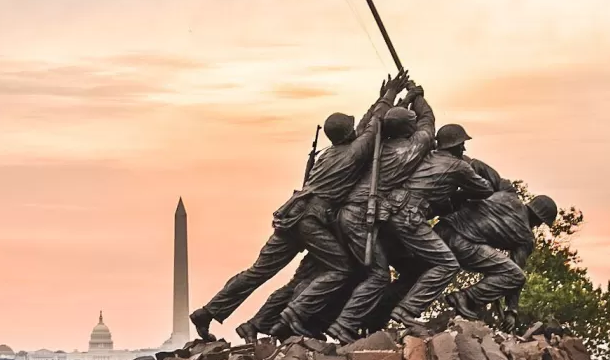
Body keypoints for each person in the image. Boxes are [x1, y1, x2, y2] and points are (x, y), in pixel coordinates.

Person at [189, 71, 408, 341]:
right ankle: (294, 315)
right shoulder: (353, 153)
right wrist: (390, 95)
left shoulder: (330, 153)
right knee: (340, 269)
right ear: (349, 133)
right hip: (312, 219)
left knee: (258, 272)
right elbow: (373, 125)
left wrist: (382, 96)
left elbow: (365, 125)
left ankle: (208, 312)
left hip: (291, 214)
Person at [325, 83, 436, 344]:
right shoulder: (408, 150)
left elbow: (373, 121)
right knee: (378, 275)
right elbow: (428, 123)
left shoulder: (371, 146)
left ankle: (362, 321)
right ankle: (344, 324)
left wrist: (402, 97)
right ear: (409, 130)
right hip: (360, 216)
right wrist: (418, 97)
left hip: (348, 214)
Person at [381, 123, 494, 330]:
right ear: (456, 146)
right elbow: (485, 189)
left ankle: (378, 311)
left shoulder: (428, 156)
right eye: (462, 145)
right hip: (409, 218)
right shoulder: (459, 166)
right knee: (448, 264)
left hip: (390, 212)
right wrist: (471, 173)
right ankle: (406, 310)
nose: (464, 150)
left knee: (414, 268)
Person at [437, 192, 558, 332]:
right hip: (463, 243)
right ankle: (465, 297)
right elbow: (515, 274)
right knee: (516, 275)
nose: (537, 226)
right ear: (538, 218)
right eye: (540, 222)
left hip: (442, 229)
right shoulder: (526, 236)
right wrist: (511, 311)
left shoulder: (506, 196)